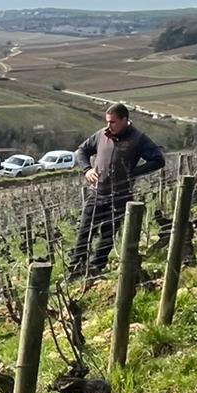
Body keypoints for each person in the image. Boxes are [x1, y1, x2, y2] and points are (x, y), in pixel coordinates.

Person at [68, 103, 166, 278]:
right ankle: (76, 269)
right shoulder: (101, 135)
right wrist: (87, 169)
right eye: (107, 121)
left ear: (124, 120)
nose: (109, 125)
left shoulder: (138, 139)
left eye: (113, 122)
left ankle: (95, 269)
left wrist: (134, 172)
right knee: (84, 231)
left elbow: (158, 160)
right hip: (97, 192)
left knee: (107, 236)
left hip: (121, 195)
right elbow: (81, 151)